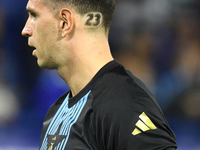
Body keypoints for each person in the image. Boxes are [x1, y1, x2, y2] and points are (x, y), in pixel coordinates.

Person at [22, 0, 177, 149]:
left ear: (65, 22)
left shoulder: (123, 105)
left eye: (34, 15)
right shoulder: (57, 111)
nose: (26, 30)